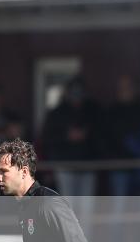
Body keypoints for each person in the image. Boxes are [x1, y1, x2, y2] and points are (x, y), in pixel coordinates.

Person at [40, 76, 100, 229]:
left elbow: (102, 135)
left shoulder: (92, 111)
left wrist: (86, 135)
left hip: (88, 166)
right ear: (67, 93)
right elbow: (47, 137)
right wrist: (67, 136)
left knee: (87, 210)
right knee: (69, 208)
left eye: (79, 92)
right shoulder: (57, 113)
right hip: (65, 166)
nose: (76, 95)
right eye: (74, 92)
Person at [102, 74, 140, 242]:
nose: (125, 91)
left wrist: (135, 148)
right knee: (118, 213)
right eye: (122, 87)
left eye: (128, 87)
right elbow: (107, 139)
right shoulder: (112, 112)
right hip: (119, 168)